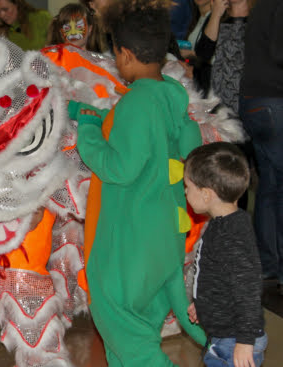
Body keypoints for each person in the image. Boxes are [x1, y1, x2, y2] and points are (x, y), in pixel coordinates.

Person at [68, 0, 206, 365]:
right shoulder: (173, 96)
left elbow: (119, 168)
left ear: (126, 54)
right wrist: (107, 119)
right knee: (134, 338)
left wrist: (89, 131)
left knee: (128, 336)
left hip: (129, 245)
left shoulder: (135, 104)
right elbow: (189, 151)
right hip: (165, 242)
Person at [185, 142, 267, 367]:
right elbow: (218, 276)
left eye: (187, 186)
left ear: (206, 194)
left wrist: (245, 340)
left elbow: (247, 289)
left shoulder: (232, 235)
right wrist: (203, 304)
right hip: (225, 336)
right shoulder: (223, 224)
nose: (185, 191)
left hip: (234, 341)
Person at [239, 0, 283, 294]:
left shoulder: (263, 5)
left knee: (269, 186)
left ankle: (268, 264)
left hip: (253, 103)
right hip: (274, 99)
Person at [195, 0, 251, 113]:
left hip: (248, 97)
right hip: (218, 98)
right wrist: (216, 15)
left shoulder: (259, 18)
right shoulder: (217, 17)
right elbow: (203, 55)